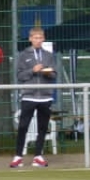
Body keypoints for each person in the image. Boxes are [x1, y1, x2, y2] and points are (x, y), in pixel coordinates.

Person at [10, 25, 59, 168]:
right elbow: (20, 76)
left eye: (40, 38)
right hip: (29, 96)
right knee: (23, 126)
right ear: (30, 39)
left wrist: (48, 73)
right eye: (35, 38)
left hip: (45, 96)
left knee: (43, 127)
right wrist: (33, 70)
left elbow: (54, 74)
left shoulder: (48, 55)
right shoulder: (23, 55)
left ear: (43, 39)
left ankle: (38, 155)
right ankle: (18, 156)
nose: (38, 40)